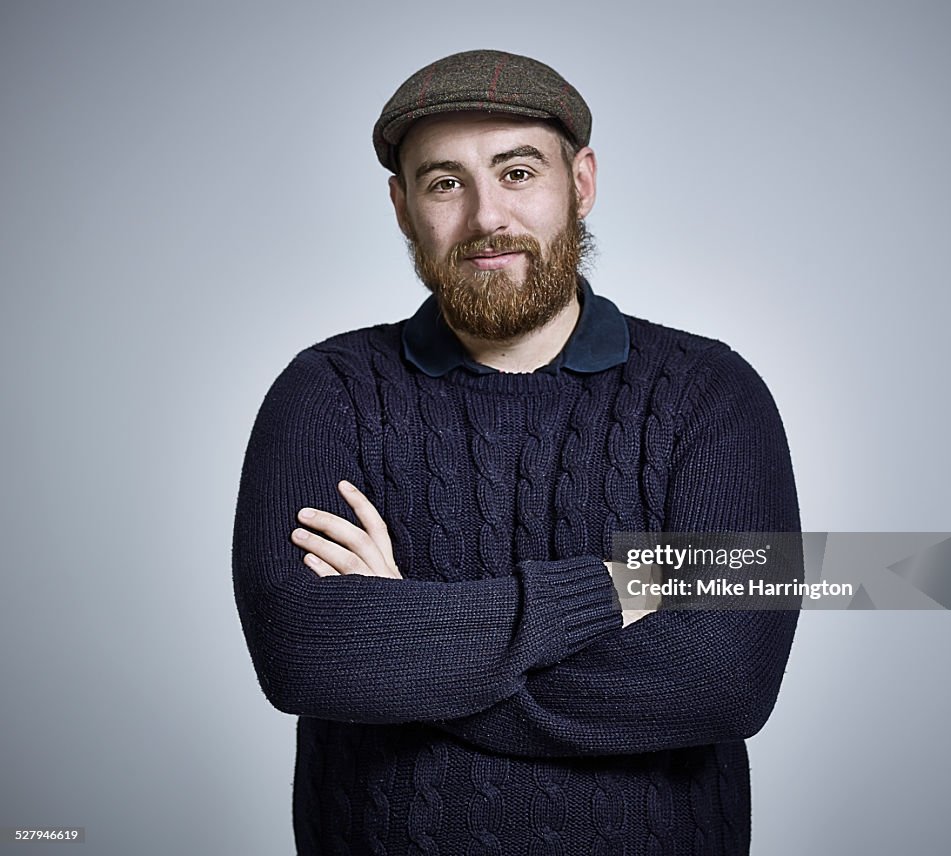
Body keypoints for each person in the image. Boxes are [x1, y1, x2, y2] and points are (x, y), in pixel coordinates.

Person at [232, 49, 800, 855]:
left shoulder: (711, 393)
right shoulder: (327, 393)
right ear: (402, 206)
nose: (487, 217)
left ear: (583, 182)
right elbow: (304, 653)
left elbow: (725, 677)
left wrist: (406, 637)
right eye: (444, 183)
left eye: (519, 172)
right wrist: (619, 585)